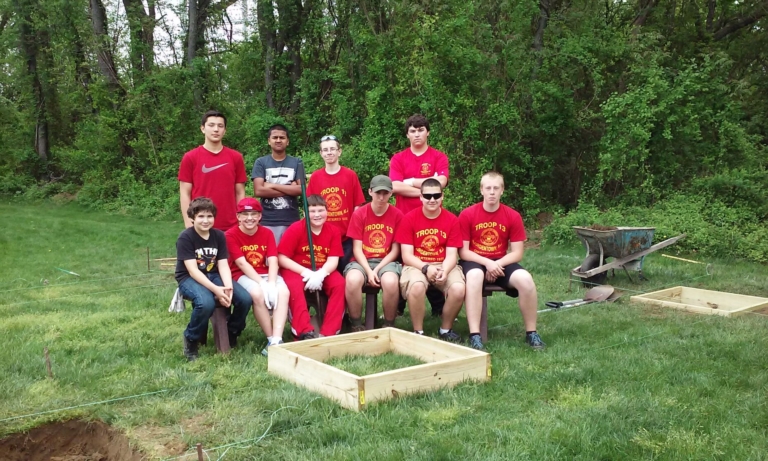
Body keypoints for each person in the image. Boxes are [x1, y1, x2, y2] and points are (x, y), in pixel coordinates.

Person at [458, 172, 545, 350]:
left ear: (502, 190)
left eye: (496, 188)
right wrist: (487, 263)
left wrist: (496, 264)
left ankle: (532, 333)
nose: (492, 192)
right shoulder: (468, 214)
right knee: (474, 276)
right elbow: (464, 252)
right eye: (488, 188)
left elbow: (518, 252)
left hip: (501, 261)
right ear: (481, 190)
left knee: (526, 280)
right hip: (475, 259)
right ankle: (475, 335)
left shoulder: (512, 216)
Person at [176, 197, 251, 361]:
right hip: (189, 278)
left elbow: (223, 265)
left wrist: (228, 288)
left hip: (214, 274)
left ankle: (232, 331)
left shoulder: (218, 236)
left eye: (209, 216)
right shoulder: (186, 237)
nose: (205, 220)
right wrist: (217, 290)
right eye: (201, 216)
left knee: (245, 299)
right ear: (193, 217)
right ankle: (191, 338)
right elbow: (193, 270)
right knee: (206, 302)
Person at [389, 114, 449, 316]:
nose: (417, 134)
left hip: (434, 218)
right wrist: (426, 187)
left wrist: (410, 181)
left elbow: (441, 183)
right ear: (407, 134)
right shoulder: (399, 158)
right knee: (403, 261)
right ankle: (398, 305)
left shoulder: (438, 157)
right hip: (405, 218)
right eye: (413, 131)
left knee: (433, 254)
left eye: (421, 130)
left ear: (428, 132)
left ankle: (438, 308)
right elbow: (395, 186)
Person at [395, 178, 465, 341]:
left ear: (442, 196)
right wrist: (426, 268)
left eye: (436, 195)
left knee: (458, 289)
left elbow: (452, 254)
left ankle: (445, 329)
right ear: (420, 197)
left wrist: (445, 271)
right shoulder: (409, 219)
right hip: (416, 264)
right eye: (427, 196)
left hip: (443, 263)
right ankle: (418, 332)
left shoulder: (452, 220)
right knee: (417, 286)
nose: (432, 199)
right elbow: (406, 256)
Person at [225, 197, 290, 356]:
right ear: (238, 216)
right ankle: (269, 338)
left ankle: (277, 339)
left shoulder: (267, 232)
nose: (249, 218)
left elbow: (273, 260)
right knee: (257, 294)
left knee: (283, 292)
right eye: (245, 214)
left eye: (254, 214)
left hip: (266, 273)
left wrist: (272, 283)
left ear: (260, 216)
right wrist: (262, 283)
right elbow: (241, 264)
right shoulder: (230, 235)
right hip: (242, 274)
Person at [277, 195, 346, 339]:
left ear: (327, 212)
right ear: (305, 213)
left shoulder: (333, 231)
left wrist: (321, 274)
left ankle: (330, 331)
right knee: (294, 287)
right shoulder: (295, 229)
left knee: (339, 284)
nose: (317, 215)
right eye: (312, 211)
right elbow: (282, 258)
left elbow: (333, 260)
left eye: (320, 210)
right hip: (296, 268)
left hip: (322, 269)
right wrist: (305, 272)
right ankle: (303, 330)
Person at [344, 175, 404, 331]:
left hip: (387, 261)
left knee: (390, 282)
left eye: (385, 193)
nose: (381, 197)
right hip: (362, 260)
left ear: (391, 193)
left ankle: (389, 325)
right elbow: (357, 248)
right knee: (352, 279)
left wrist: (376, 270)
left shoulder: (397, 215)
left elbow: (396, 250)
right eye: (378, 193)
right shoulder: (359, 214)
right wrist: (369, 271)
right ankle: (356, 323)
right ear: (370, 192)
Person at [178, 110, 248, 231]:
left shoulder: (236, 157)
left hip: (230, 226)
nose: (216, 129)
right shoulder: (191, 157)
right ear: (203, 128)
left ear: (224, 131)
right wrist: (189, 223)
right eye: (211, 125)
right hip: (200, 223)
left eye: (220, 126)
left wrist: (241, 219)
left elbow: (240, 192)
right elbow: (185, 193)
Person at [306, 135, 365, 271]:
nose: (329, 152)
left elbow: (357, 207)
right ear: (321, 153)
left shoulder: (350, 175)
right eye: (325, 150)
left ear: (339, 151)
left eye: (333, 149)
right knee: (326, 275)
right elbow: (309, 206)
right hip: (323, 236)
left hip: (346, 238)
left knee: (346, 274)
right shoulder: (316, 177)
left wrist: (354, 232)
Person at [252, 124, 302, 243]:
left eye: (282, 137)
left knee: (289, 257)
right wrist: (290, 188)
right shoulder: (261, 162)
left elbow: (301, 190)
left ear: (287, 141)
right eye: (275, 137)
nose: (278, 140)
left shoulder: (297, 162)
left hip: (292, 220)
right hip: (268, 221)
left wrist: (271, 185)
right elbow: (258, 191)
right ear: (269, 141)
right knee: (270, 259)